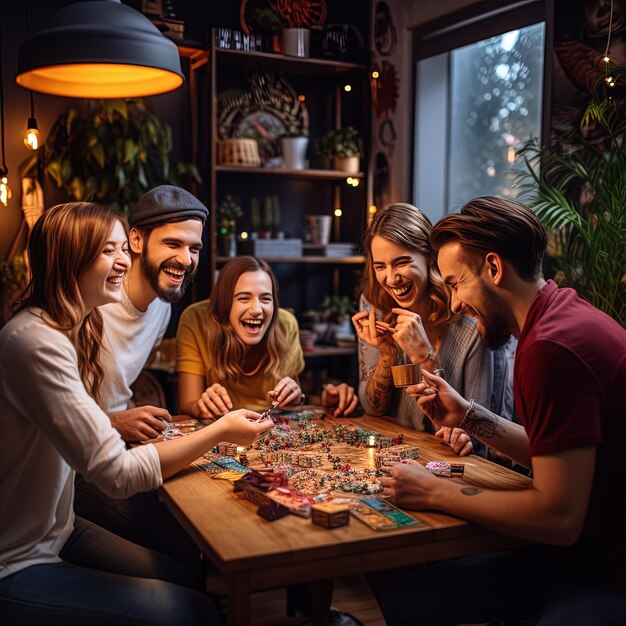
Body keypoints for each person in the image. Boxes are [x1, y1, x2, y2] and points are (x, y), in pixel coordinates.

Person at [0, 202, 272, 625]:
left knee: (184, 569)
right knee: (193, 610)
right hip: (14, 564)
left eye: (121, 249)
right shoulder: (35, 341)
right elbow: (118, 473)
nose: (124, 261)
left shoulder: (71, 326)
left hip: (60, 531)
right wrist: (220, 431)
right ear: (70, 258)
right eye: (109, 251)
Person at [379, 196, 626, 625]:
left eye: (455, 284)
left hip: (606, 571)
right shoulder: (557, 315)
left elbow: (558, 517)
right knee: (408, 597)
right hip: (581, 552)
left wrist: (434, 491)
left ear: (494, 268)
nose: (454, 303)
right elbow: (556, 457)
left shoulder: (552, 349)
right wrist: (468, 415)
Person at [73, 184, 209, 580]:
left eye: (194, 248)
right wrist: (114, 421)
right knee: (182, 551)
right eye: (173, 243)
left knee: (195, 533)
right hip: (76, 464)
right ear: (135, 238)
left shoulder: (161, 309)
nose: (185, 259)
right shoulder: (91, 300)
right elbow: (48, 409)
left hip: (121, 447)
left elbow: (114, 387)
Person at [351, 202, 514, 457]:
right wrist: (386, 355)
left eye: (402, 262)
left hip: (459, 463)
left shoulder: (469, 318)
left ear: (429, 257)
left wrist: (423, 359)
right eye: (380, 266)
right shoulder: (376, 306)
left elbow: (482, 437)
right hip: (403, 452)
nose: (391, 279)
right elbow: (373, 409)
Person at [177, 255, 359, 418]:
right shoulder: (195, 319)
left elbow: (294, 399)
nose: (257, 310)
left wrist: (297, 398)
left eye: (265, 299)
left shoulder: (286, 325)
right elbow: (187, 403)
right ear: (224, 304)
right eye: (243, 298)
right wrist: (202, 406)